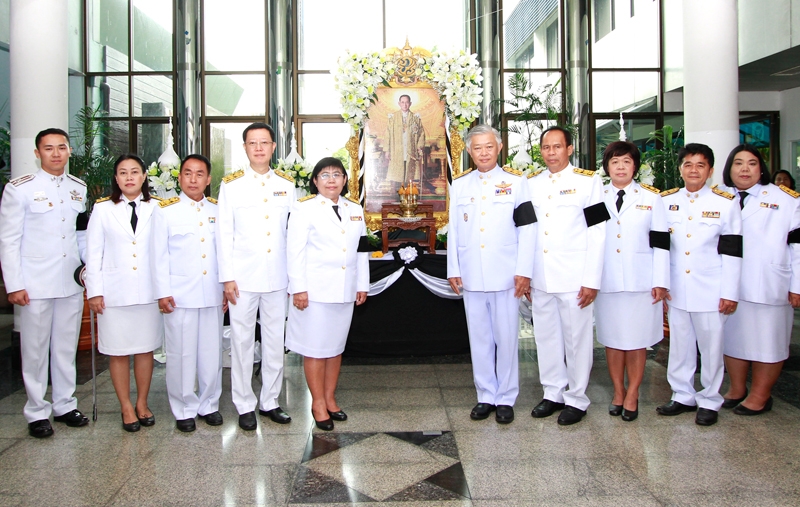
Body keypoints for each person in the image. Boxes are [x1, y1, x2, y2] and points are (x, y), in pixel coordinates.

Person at [0, 128, 90, 438]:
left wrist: (86, 271)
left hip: (69, 282)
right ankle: (37, 410)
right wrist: (14, 284)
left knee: (65, 347)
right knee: (35, 349)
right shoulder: (19, 189)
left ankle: (65, 404)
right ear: (37, 153)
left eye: (61, 147)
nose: (55, 153)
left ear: (68, 151)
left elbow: (79, 236)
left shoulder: (78, 187)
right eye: (48, 148)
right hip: (34, 284)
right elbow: (9, 240)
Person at [447, 124, 536, 424]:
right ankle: (485, 395)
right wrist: (453, 270)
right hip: (472, 275)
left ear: (499, 148)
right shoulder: (459, 185)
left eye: (489, 146)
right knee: (480, 338)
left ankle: (506, 397)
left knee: (507, 337)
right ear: (469, 152)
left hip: (506, 275)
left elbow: (528, 229)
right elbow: (455, 231)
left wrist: (524, 271)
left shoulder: (516, 182)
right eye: (477, 148)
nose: (483, 152)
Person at [217, 122, 296, 431]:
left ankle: (270, 401)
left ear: (274, 147)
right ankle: (244, 403)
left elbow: (293, 233)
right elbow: (223, 233)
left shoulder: (287, 185)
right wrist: (227, 278)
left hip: (278, 277)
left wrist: (294, 278)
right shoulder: (231, 185)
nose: (259, 148)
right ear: (245, 148)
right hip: (242, 278)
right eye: (253, 143)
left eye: (265, 142)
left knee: (276, 341)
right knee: (241, 341)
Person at [528, 126, 609, 426]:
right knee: (546, 336)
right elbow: (527, 232)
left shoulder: (588, 183)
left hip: (574, 277)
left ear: (570, 149)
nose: (551, 153)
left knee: (576, 339)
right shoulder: (532, 184)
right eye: (546, 147)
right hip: (541, 276)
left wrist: (592, 279)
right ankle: (553, 392)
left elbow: (598, 232)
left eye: (557, 147)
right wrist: (526, 274)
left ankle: (577, 398)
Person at [657, 143, 743, 426]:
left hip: (711, 289)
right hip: (677, 288)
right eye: (688, 164)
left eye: (700, 165)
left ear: (710, 170)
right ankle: (682, 394)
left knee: (711, 346)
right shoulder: (666, 200)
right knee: (680, 345)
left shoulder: (725, 203)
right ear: (680, 169)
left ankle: (709, 399)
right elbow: (660, 247)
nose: (694, 170)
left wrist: (730, 292)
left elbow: (732, 251)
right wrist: (662, 282)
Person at [285, 157, 369, 431]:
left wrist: (362, 285)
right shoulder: (303, 209)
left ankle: (331, 399)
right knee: (315, 349)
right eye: (324, 175)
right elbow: (294, 251)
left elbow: (362, 250)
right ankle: (317, 402)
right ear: (315, 181)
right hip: (315, 292)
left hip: (345, 289)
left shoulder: (354, 208)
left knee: (335, 348)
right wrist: (298, 288)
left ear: (345, 180)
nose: (331, 179)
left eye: (337, 174)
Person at [719, 145, 800, 415]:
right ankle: (737, 388)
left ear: (761, 168)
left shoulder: (787, 199)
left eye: (752, 163)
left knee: (769, 342)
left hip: (769, 282)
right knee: (732, 338)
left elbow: (797, 247)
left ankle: (761, 395)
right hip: (728, 285)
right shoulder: (719, 197)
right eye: (738, 163)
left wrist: (797, 285)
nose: (744, 169)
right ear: (729, 168)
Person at [85, 154, 162, 432]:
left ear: (144, 177)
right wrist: (94, 291)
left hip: (148, 292)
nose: (129, 177)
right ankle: (125, 406)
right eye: (123, 173)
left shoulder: (158, 208)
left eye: (134, 172)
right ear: (116, 179)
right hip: (113, 293)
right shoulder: (103, 209)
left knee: (144, 349)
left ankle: (142, 403)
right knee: (117, 351)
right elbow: (93, 253)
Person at [595, 141, 670, 422]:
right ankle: (617, 391)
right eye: (615, 162)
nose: (621, 167)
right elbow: (591, 239)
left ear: (635, 166)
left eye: (626, 161)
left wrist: (661, 280)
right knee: (612, 341)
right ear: (607, 167)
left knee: (637, 342)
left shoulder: (652, 199)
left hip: (641, 283)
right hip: (607, 281)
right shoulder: (596, 197)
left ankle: (633, 393)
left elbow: (662, 243)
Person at [150, 154, 226, 432]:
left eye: (199, 174)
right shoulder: (166, 210)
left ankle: (209, 404)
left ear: (208, 179)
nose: (193, 179)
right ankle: (183, 408)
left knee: (211, 352)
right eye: (188, 173)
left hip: (212, 294)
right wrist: (162, 292)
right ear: (179, 177)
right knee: (181, 353)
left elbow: (225, 254)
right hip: (179, 295)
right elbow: (157, 255)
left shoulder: (218, 210)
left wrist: (225, 288)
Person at [385, 94, 426, 186]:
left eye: (407, 102)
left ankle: (409, 194)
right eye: (402, 102)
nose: (405, 105)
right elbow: (387, 134)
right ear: (399, 103)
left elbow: (421, 133)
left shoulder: (415, 118)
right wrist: (387, 150)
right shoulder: (393, 118)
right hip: (397, 150)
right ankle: (398, 194)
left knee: (410, 174)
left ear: (410, 103)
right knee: (398, 174)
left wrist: (419, 147)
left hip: (410, 150)